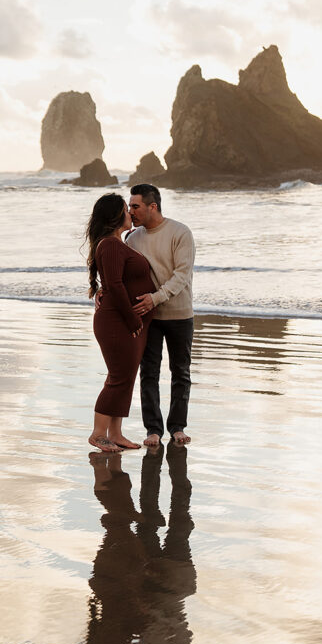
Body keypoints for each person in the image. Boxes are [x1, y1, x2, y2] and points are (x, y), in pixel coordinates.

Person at [85, 193, 155, 453]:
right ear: (116, 216)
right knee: (118, 377)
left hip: (124, 321)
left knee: (125, 377)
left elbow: (113, 281)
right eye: (126, 209)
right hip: (118, 322)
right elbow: (114, 284)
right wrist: (133, 318)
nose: (130, 213)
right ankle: (98, 434)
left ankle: (115, 433)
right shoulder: (110, 245)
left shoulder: (116, 243)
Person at [126, 183, 195, 446]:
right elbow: (124, 275)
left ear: (152, 206)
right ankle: (153, 430)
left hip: (179, 314)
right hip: (149, 318)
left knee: (181, 373)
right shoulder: (132, 239)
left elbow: (182, 275)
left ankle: (177, 427)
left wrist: (155, 298)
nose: (130, 211)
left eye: (135, 206)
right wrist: (101, 291)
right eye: (130, 206)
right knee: (149, 374)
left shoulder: (180, 232)